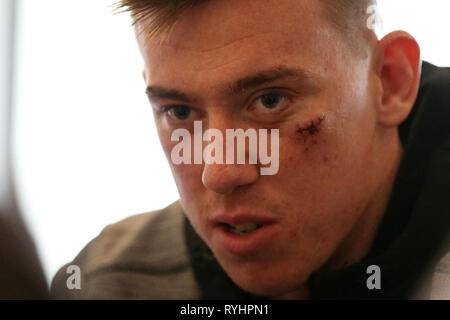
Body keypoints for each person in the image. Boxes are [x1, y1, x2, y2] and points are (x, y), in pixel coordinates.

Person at [51, 0, 450, 299]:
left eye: (271, 101)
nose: (219, 173)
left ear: (390, 82)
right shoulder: (109, 282)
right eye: (179, 111)